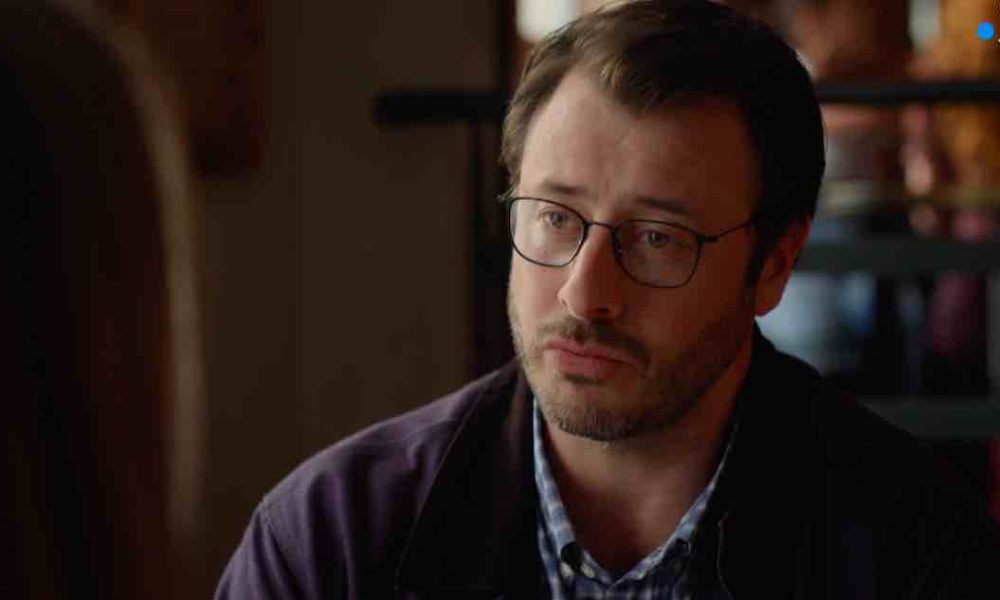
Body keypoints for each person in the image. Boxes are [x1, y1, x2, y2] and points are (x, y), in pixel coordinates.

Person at [215, 1, 1000, 598]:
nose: (585, 292)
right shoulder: (333, 538)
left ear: (773, 265)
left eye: (657, 238)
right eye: (555, 218)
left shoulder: (920, 555)